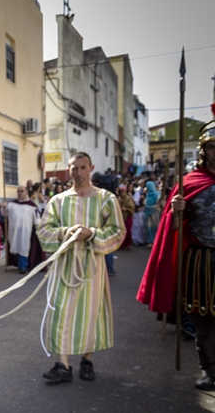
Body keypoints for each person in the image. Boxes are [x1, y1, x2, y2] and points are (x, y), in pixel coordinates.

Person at [138, 121, 215, 390]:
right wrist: (175, 210)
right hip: (199, 261)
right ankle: (210, 370)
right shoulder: (190, 183)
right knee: (201, 318)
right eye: (212, 147)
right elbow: (172, 230)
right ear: (204, 150)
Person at [37, 152, 125, 382]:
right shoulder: (58, 201)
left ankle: (87, 359)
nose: (78, 172)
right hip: (65, 264)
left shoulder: (106, 199)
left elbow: (118, 231)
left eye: (82, 167)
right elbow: (43, 230)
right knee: (61, 310)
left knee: (91, 312)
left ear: (91, 168)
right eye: (73, 168)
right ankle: (63, 364)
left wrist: (92, 234)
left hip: (93, 264)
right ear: (69, 170)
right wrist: (64, 232)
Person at [5, 187, 41, 274]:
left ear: (27, 192)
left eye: (22, 191)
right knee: (15, 247)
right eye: (18, 191)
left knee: (23, 247)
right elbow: (4, 214)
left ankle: (23, 266)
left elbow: (37, 219)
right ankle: (19, 264)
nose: (19, 193)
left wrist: (38, 228)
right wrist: (3, 207)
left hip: (25, 231)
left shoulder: (31, 206)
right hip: (13, 230)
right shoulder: (11, 204)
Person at [143, 180, 161, 246]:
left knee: (155, 227)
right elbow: (145, 203)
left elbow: (159, 204)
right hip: (148, 214)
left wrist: (149, 207)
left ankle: (156, 241)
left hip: (155, 213)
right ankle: (150, 241)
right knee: (149, 227)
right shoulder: (148, 195)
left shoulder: (158, 194)